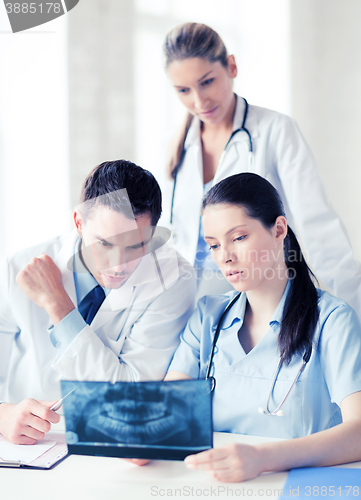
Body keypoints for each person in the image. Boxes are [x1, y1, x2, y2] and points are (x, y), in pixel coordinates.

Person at [163, 172, 361, 482]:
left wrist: (262, 459)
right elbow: (167, 412)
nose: (225, 257)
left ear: (279, 229)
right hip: (216, 485)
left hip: (301, 486)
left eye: (239, 238)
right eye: (213, 246)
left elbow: (359, 432)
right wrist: (139, 441)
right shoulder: (207, 317)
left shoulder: (333, 320)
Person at [159, 22, 361, 313]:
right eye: (183, 90)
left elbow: (318, 227)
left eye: (207, 82)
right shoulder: (173, 145)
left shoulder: (276, 131)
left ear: (231, 66)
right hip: (189, 299)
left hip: (261, 294)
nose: (199, 101)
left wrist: (354, 303)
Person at [0, 159, 196, 445]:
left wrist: (60, 307)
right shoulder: (20, 268)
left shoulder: (174, 278)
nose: (118, 266)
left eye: (136, 246)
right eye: (104, 244)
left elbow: (131, 396)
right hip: (28, 444)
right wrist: (2, 415)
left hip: (118, 444)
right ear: (79, 222)